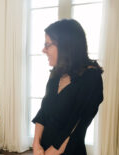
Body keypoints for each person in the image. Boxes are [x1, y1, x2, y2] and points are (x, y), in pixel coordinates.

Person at [32, 19, 103, 155]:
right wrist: (36, 144)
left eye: (48, 45)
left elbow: (76, 126)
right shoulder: (56, 73)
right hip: (43, 149)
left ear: (65, 45)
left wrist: (51, 152)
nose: (43, 50)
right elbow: (43, 111)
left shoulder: (91, 77)